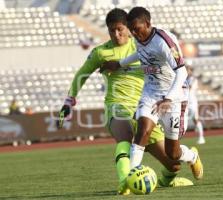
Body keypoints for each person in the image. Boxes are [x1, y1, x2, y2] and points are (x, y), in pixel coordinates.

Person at [57, 8, 193, 195]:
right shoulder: (100, 52)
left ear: (128, 28)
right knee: (126, 137)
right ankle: (125, 181)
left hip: (147, 105)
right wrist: (69, 101)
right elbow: (82, 74)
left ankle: (167, 180)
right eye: (111, 30)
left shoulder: (141, 45)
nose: (116, 34)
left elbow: (174, 66)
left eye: (120, 29)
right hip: (117, 105)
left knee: (174, 163)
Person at [102, 7, 203, 180]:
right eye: (131, 30)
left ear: (148, 24)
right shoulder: (139, 37)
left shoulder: (164, 41)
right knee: (142, 131)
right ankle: (131, 177)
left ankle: (192, 156)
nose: (134, 33)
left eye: (137, 29)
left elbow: (182, 72)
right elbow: (140, 54)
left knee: (173, 153)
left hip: (174, 96)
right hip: (150, 93)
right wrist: (120, 63)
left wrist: (168, 99)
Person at [186, 66, 205, 144]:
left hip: (192, 102)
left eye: (187, 70)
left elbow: (189, 88)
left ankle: (201, 137)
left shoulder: (193, 79)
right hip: (185, 101)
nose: (186, 71)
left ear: (191, 71)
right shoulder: (185, 79)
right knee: (190, 119)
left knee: (196, 119)